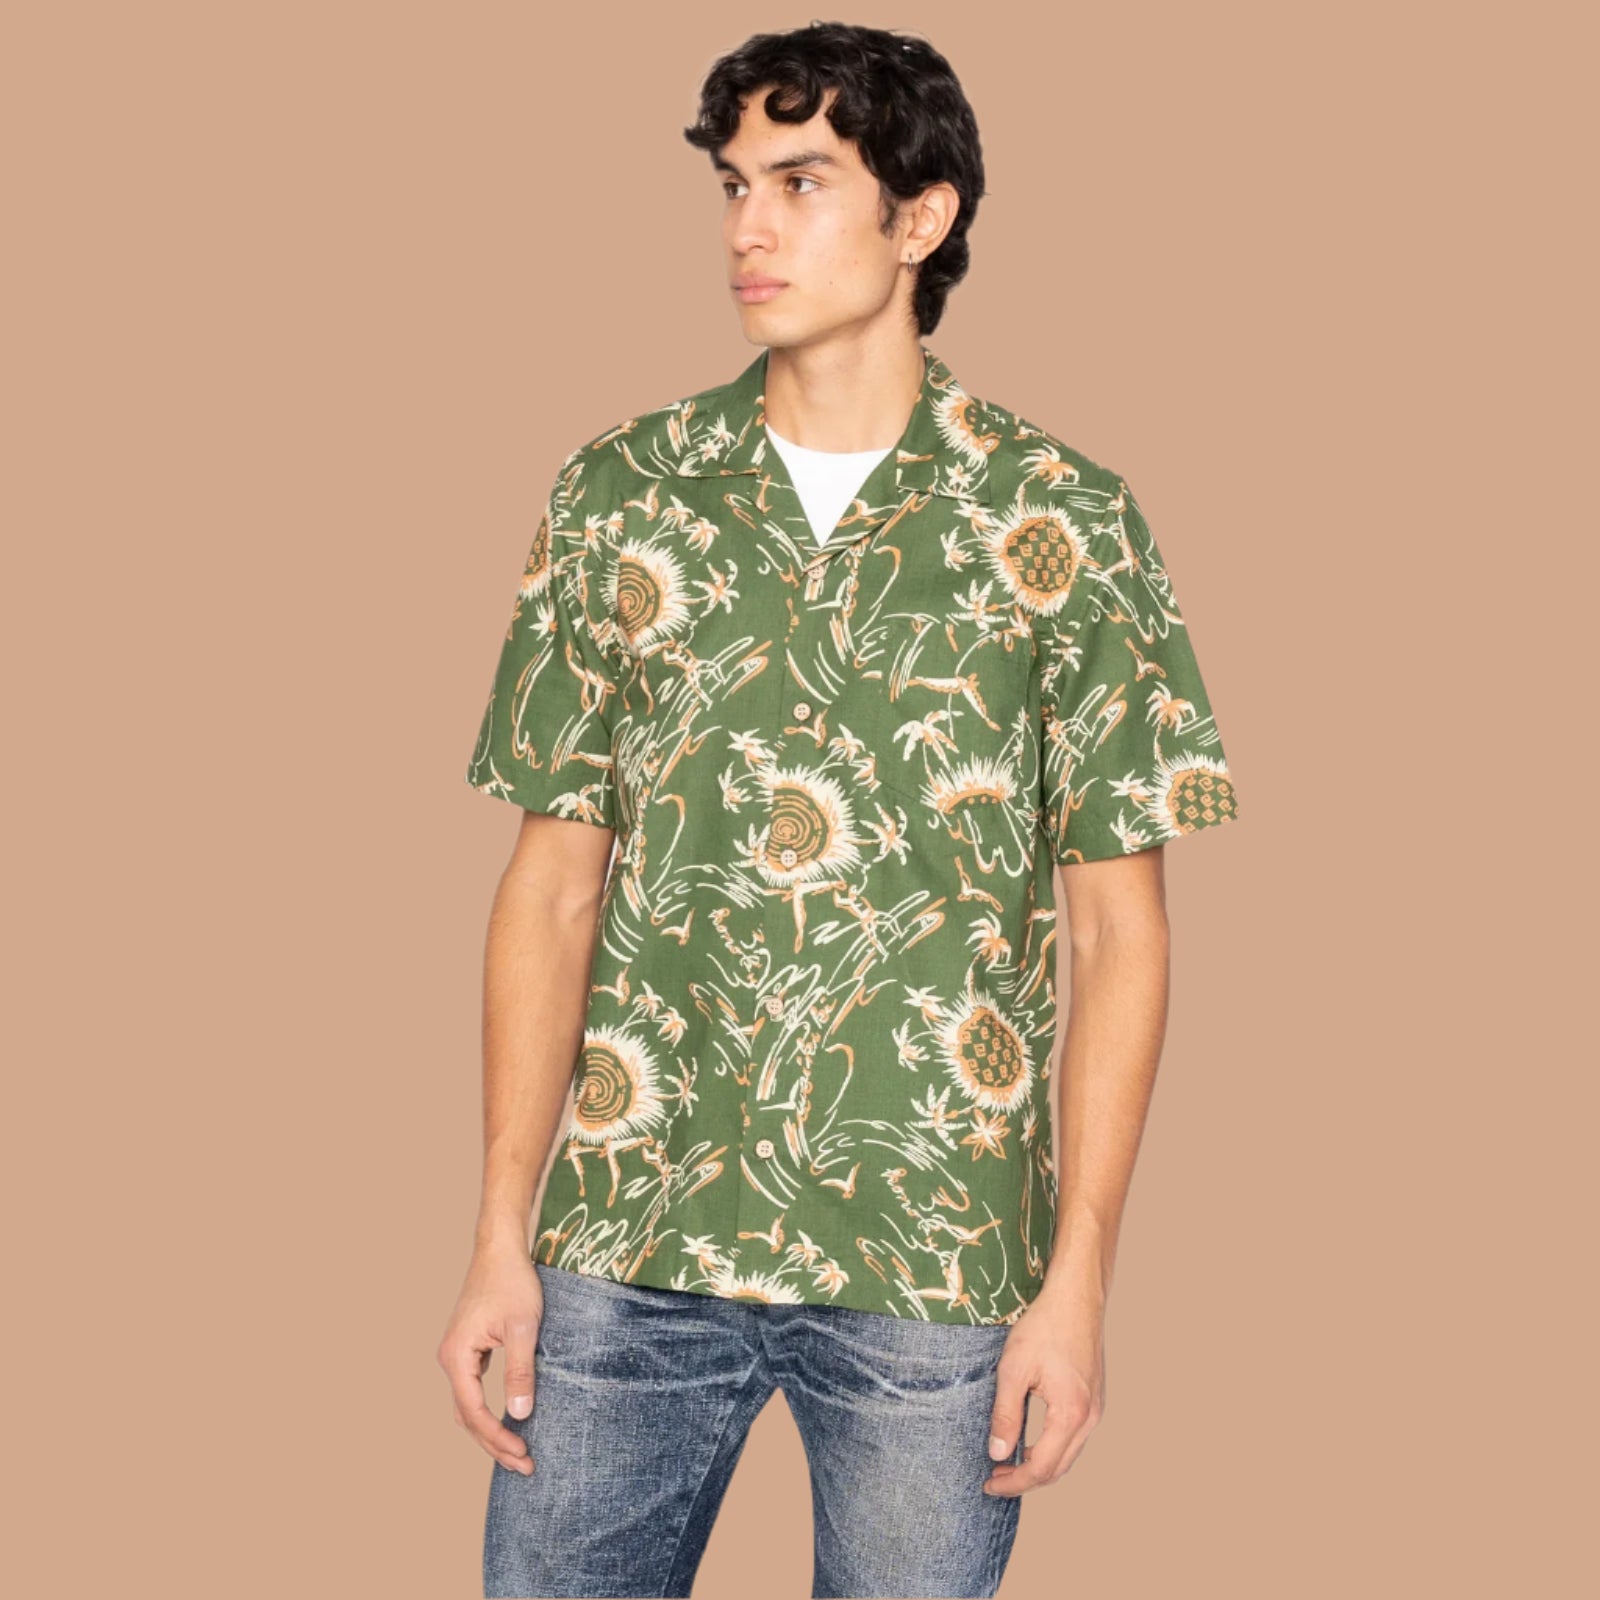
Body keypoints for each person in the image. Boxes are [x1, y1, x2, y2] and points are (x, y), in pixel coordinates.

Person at [438, 22, 1240, 1599]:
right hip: (629, 1240)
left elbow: (1118, 934)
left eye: (802, 183)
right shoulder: (622, 493)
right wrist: (495, 1235)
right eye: (736, 185)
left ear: (921, 217)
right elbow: (551, 886)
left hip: (934, 1260)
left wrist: (1079, 1283)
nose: (750, 226)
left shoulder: (1062, 520)